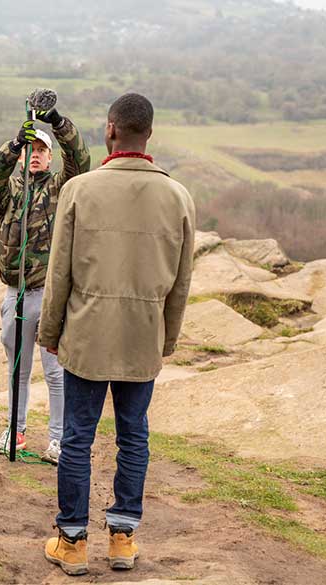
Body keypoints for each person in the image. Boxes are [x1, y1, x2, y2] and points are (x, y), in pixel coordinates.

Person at [38, 93, 195, 575]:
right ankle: (123, 538)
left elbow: (58, 273)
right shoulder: (178, 196)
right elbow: (181, 281)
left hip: (87, 334)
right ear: (148, 134)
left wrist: (49, 331)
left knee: (77, 438)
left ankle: (72, 541)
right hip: (142, 336)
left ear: (111, 130)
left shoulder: (80, 190)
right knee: (134, 437)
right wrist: (166, 338)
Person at [0, 103, 90, 463]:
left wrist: (56, 121)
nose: (36, 156)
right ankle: (16, 430)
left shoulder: (61, 188)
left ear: (49, 157)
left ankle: (58, 439)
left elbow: (79, 160)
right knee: (18, 369)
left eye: (42, 151)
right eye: (32, 150)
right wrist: (13, 144)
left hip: (50, 294)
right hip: (15, 293)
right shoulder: (10, 192)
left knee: (55, 371)